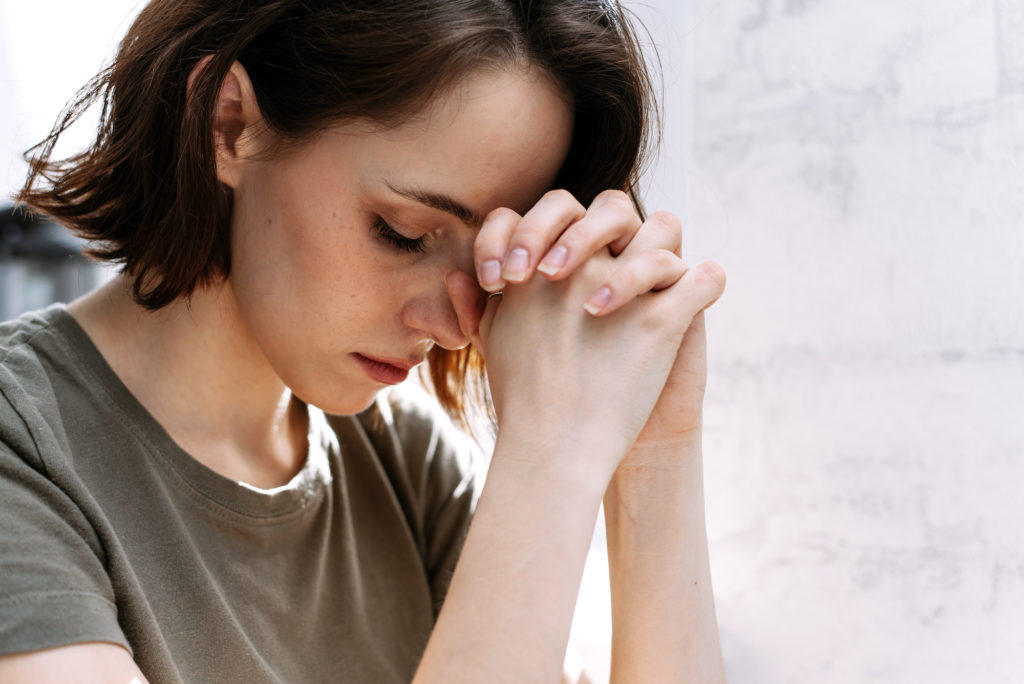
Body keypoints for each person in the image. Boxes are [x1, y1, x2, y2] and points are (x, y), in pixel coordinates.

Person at [0, 0, 727, 681]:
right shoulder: (23, 452)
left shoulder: (406, 470)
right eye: (404, 234)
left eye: (487, 265)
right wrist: (548, 453)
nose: (455, 326)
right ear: (227, 124)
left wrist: (655, 452)